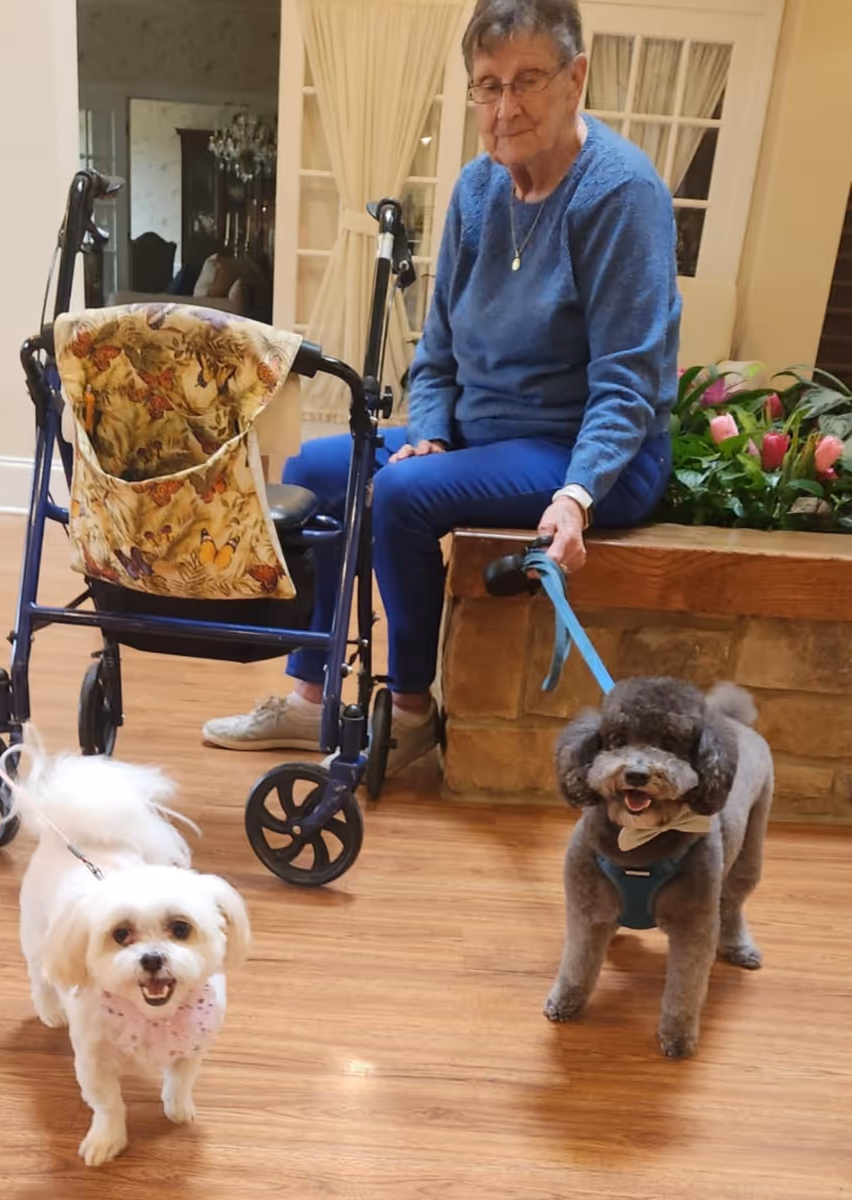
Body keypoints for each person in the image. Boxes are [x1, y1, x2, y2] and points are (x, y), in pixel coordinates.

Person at [202, 0, 681, 776]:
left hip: (587, 455)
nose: (506, 107)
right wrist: (429, 427)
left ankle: (412, 710)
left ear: (576, 79)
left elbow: (628, 380)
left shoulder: (621, 195)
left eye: (528, 80)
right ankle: (304, 696)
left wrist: (578, 494)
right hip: (488, 435)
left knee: (403, 494)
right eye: (487, 86)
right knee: (319, 470)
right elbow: (439, 351)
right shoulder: (477, 191)